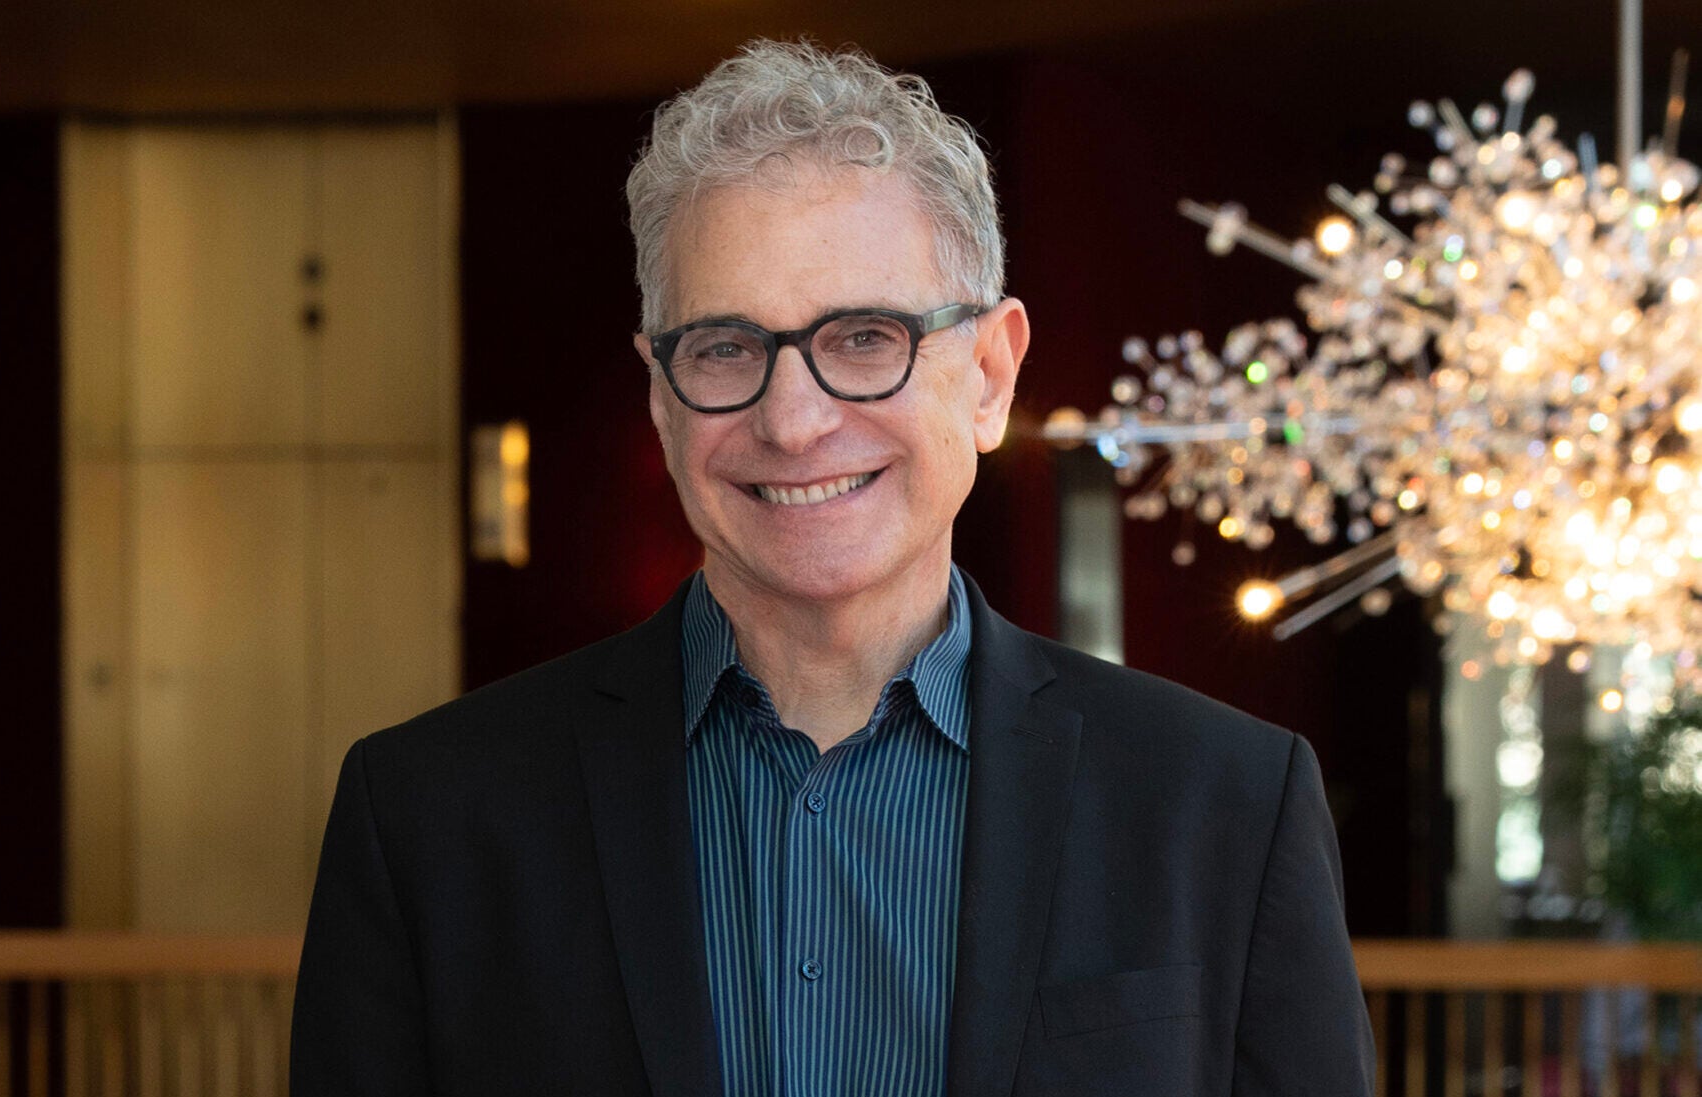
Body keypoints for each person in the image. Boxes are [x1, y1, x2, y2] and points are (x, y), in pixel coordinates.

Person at [291, 40, 1375, 1097]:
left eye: (864, 337)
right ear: (661, 397)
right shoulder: (427, 815)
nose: (794, 421)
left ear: (988, 375)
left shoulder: (1225, 803)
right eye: (724, 347)